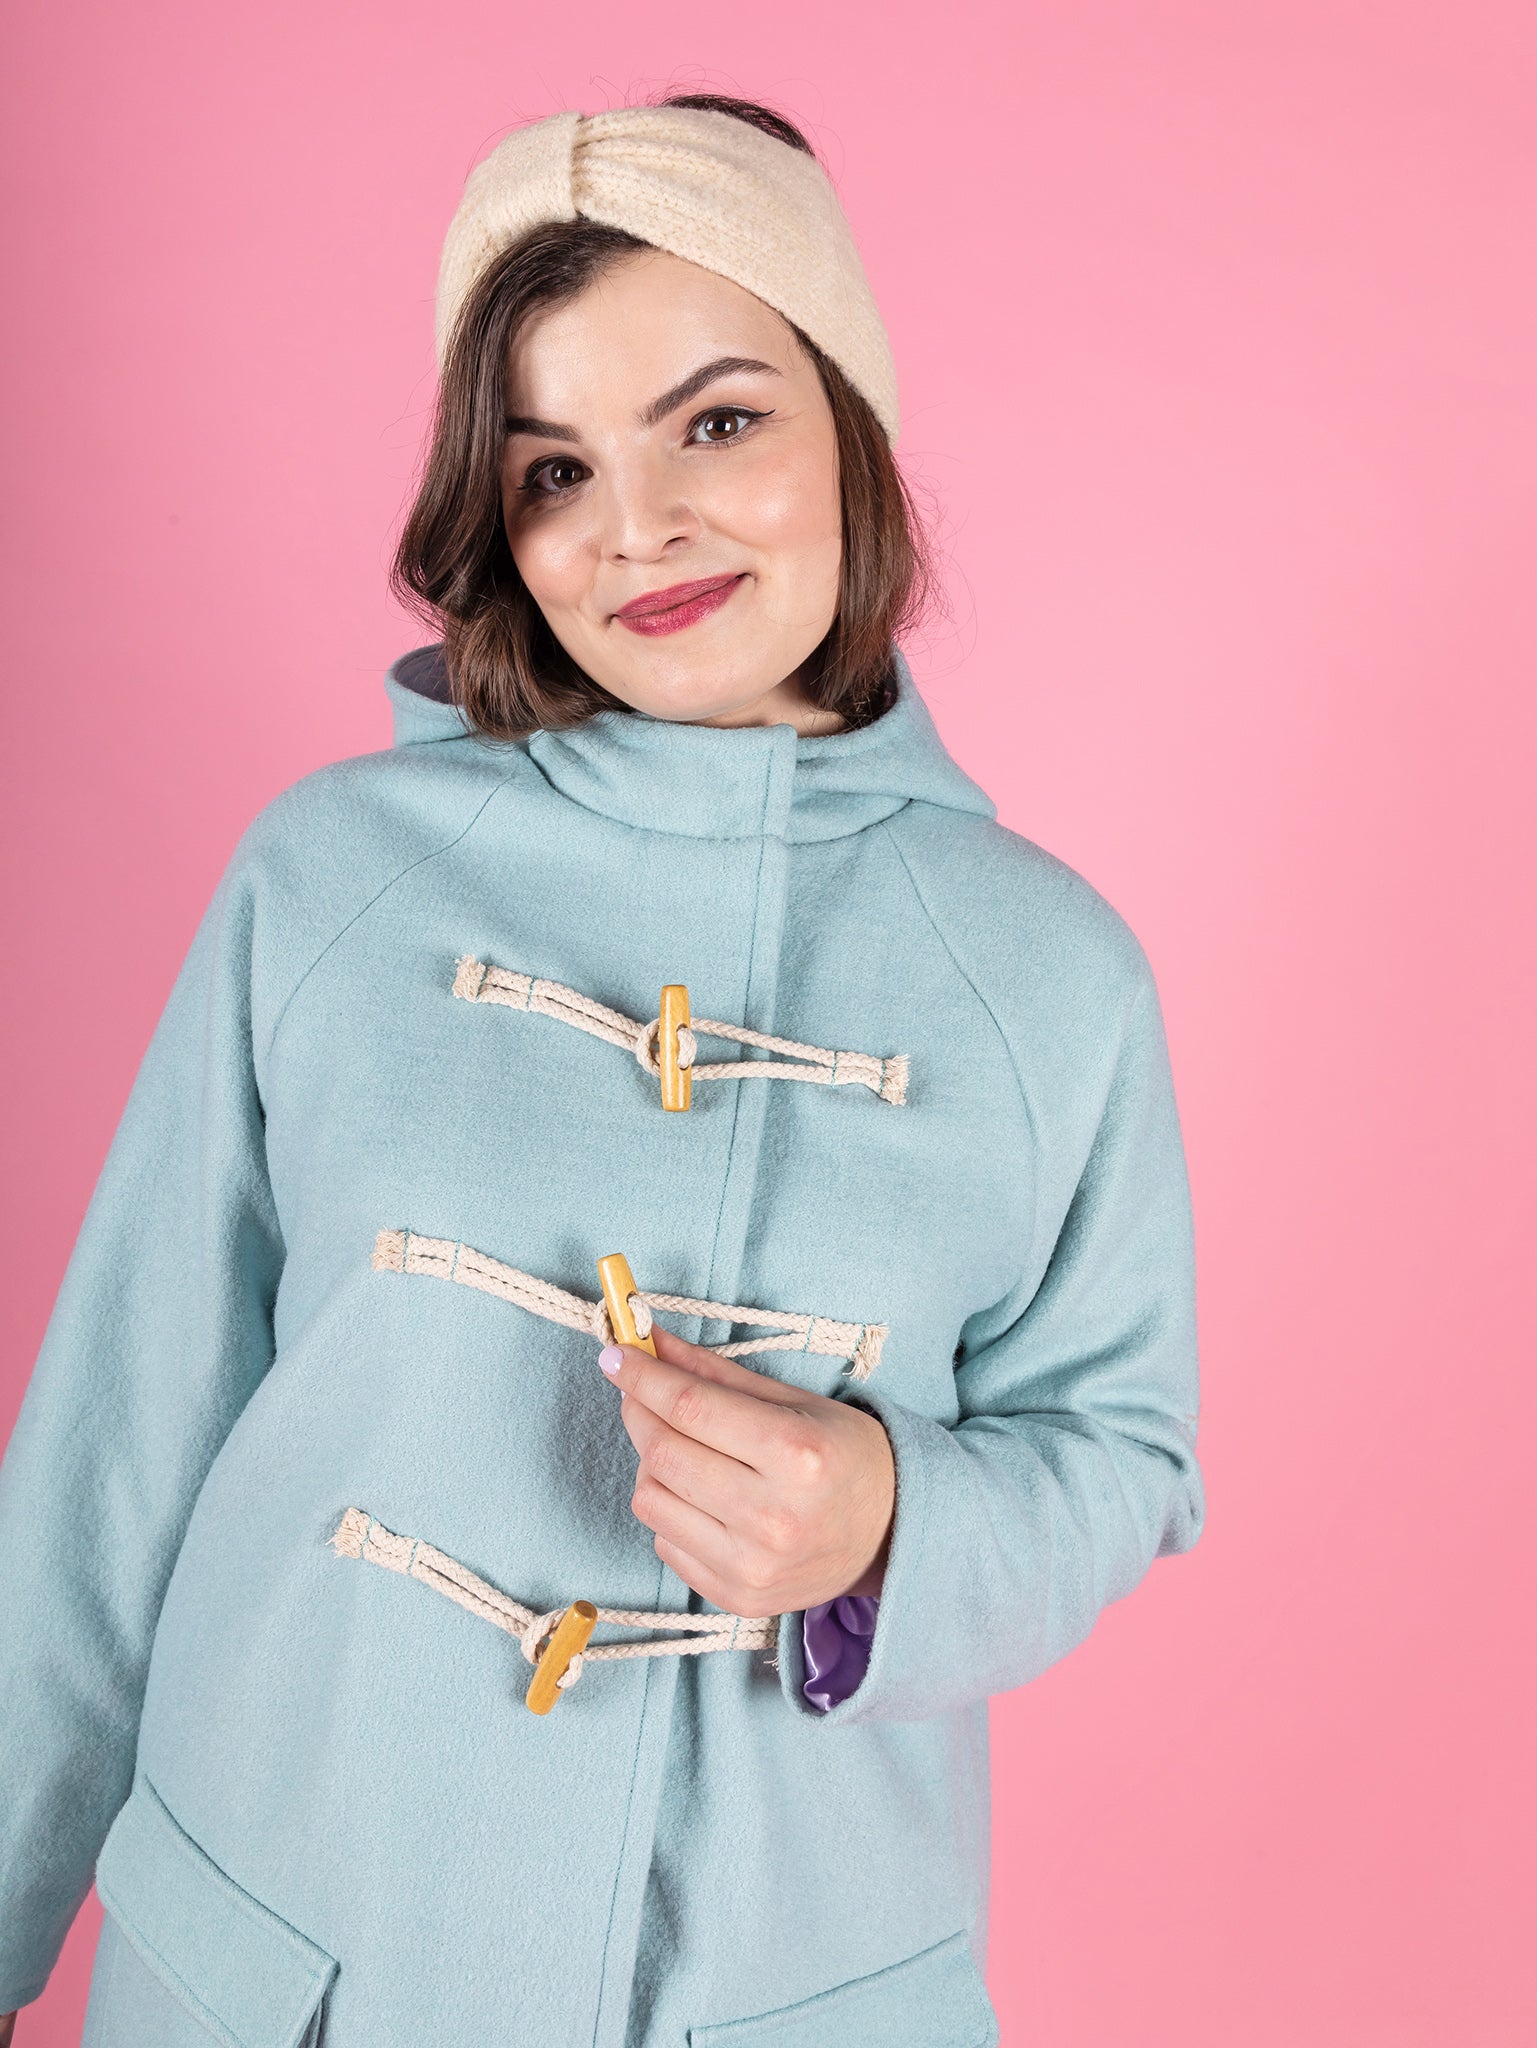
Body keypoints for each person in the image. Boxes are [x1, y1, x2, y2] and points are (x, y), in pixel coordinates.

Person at [0, 94, 1205, 2047]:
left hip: (766, 1986)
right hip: (279, 1964)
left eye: (714, 423)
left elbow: (1122, 1453)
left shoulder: (1050, 974)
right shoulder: (329, 877)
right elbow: (111, 1459)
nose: (635, 526)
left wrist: (888, 1520)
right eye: (554, 468)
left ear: (850, 420)